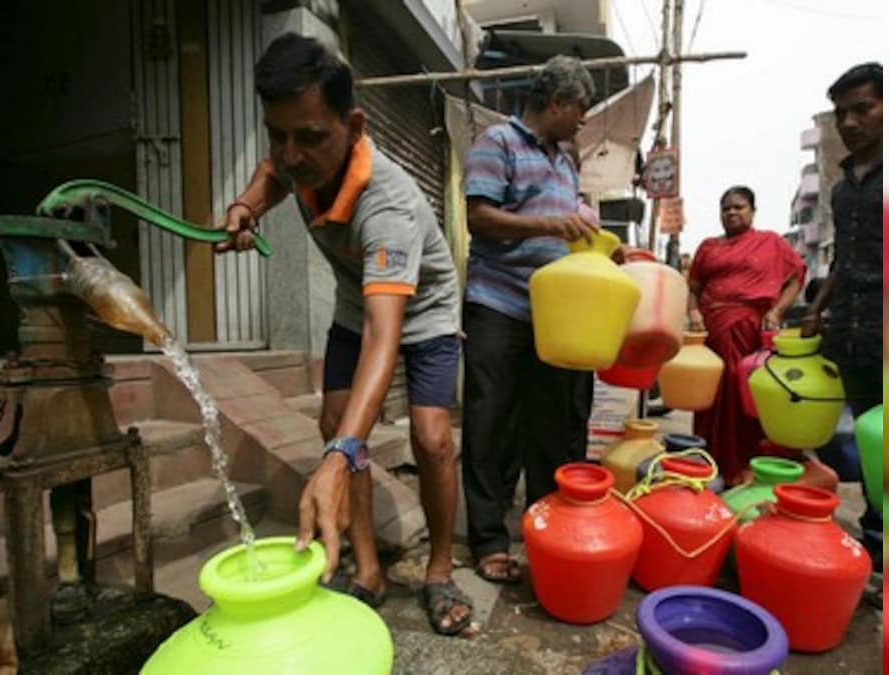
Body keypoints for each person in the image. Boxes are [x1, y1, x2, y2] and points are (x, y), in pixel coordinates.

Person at [215, 33, 472, 635]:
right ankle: (367, 569)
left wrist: (339, 460)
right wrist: (247, 206)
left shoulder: (387, 208)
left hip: (424, 309)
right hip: (360, 303)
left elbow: (387, 340)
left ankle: (439, 570)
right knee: (335, 422)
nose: (292, 152)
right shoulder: (298, 156)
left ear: (353, 125)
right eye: (277, 133)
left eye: (309, 137)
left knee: (431, 438)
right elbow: (276, 175)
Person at [461, 56, 614, 585]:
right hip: (498, 304)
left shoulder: (567, 162)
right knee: (490, 423)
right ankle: (487, 538)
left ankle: (544, 529)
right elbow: (479, 218)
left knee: (548, 427)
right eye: (581, 108)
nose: (584, 120)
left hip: (554, 316)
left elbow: (568, 234)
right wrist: (549, 223)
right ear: (556, 102)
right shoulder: (496, 143)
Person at [801, 62, 884, 603]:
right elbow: (841, 260)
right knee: (875, 448)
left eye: (862, 108)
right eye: (841, 113)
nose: (850, 122)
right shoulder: (842, 186)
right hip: (850, 328)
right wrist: (817, 309)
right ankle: (877, 551)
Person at [687, 186, 805, 483]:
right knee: (710, 395)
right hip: (711, 331)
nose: (731, 213)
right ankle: (708, 461)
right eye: (725, 208)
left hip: (749, 330)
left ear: (753, 210)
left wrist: (777, 311)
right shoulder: (708, 247)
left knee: (743, 395)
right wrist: (694, 313)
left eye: (738, 207)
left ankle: (742, 467)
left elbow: (796, 277)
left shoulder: (771, 243)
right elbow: (694, 288)